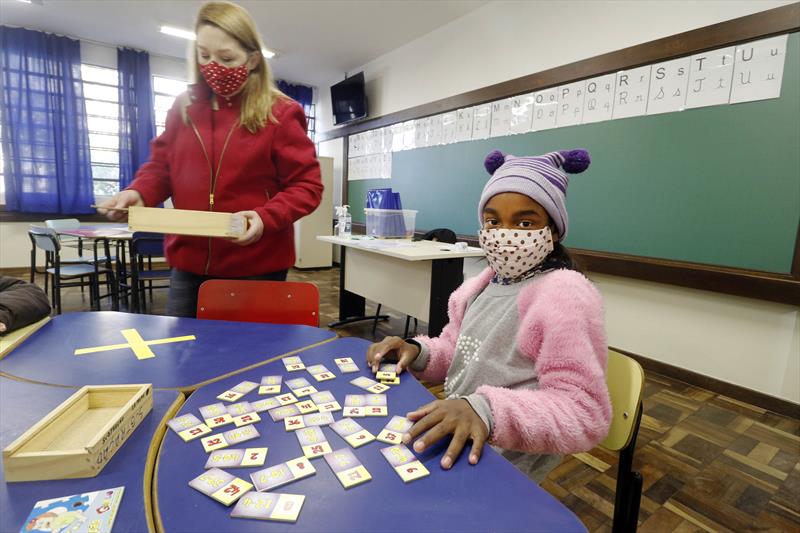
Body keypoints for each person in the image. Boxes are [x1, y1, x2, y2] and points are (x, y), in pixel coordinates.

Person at [366, 148, 611, 482]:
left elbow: (584, 413)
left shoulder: (563, 295)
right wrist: (419, 351)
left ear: (553, 231)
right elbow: (458, 351)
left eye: (525, 223)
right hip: (459, 436)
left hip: (506, 464)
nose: (504, 233)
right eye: (493, 222)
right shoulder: (480, 286)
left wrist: (486, 411)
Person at [98, 1, 323, 317]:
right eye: (204, 56)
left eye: (226, 58)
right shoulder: (183, 107)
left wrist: (264, 217)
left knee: (249, 359)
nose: (213, 66)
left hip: (256, 266)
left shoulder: (281, 113)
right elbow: (162, 166)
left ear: (253, 59)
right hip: (188, 264)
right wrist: (138, 192)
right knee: (185, 357)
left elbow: (307, 186)